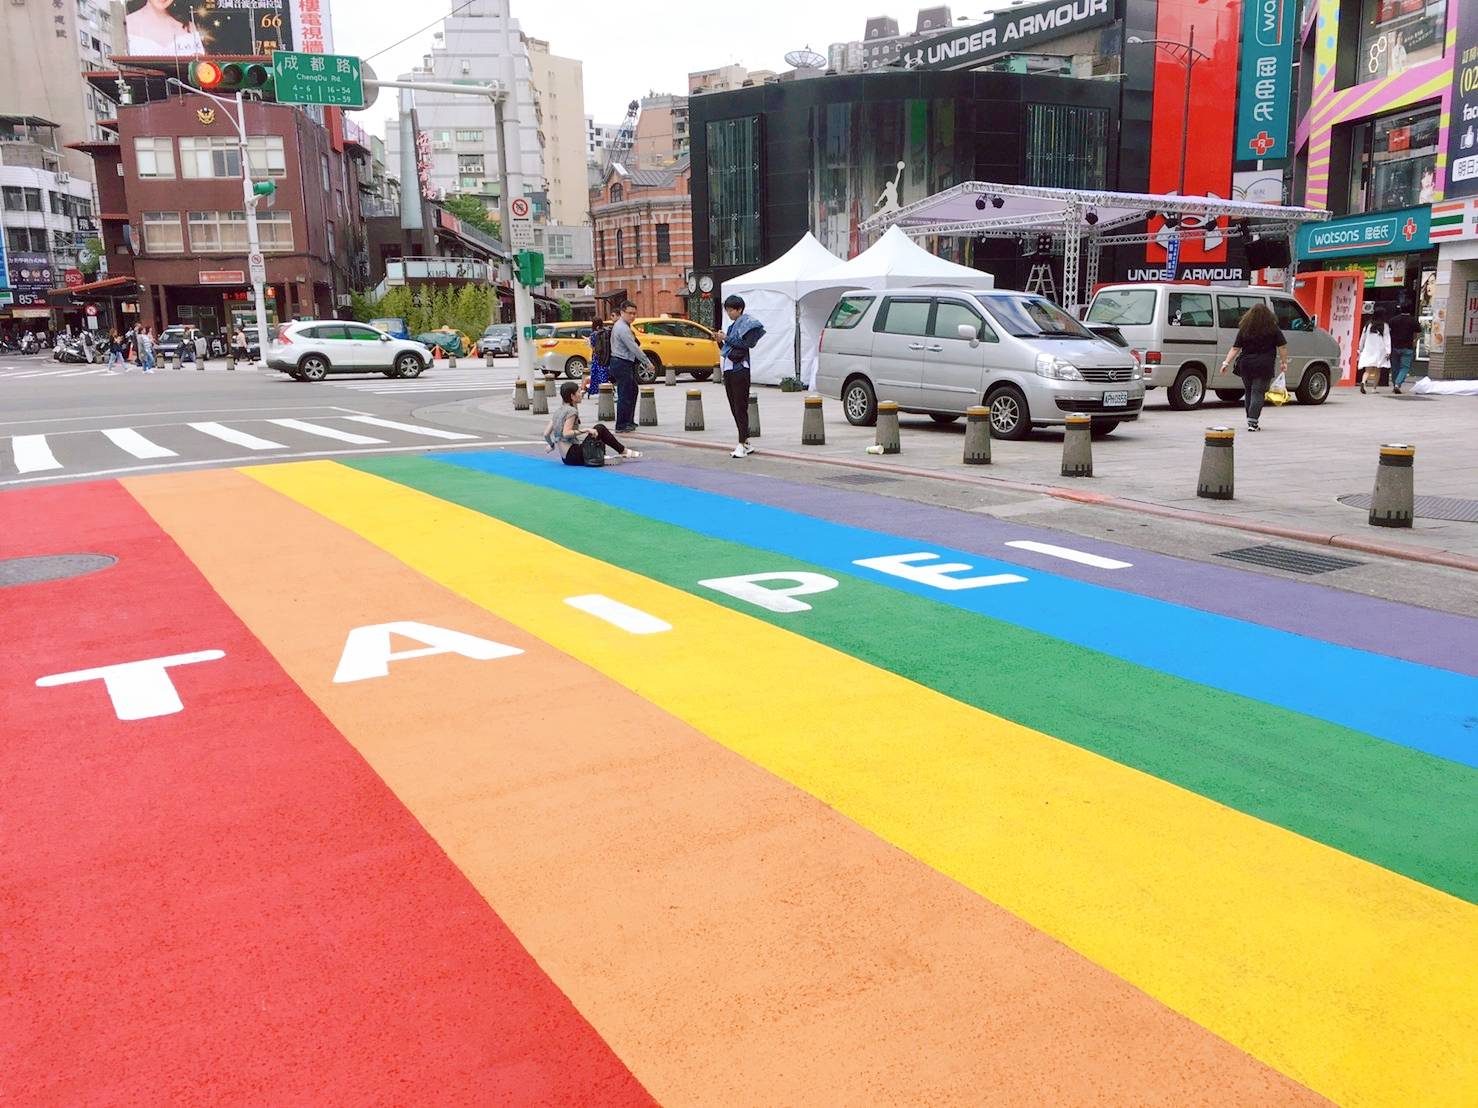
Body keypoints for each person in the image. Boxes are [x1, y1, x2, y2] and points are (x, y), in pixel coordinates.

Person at [1219, 302, 1289, 432]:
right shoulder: (1273, 328)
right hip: (1264, 364)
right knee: (1258, 392)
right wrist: (1284, 362)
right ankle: (1253, 421)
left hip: (1247, 364)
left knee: (1249, 392)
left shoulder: (1245, 328)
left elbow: (1235, 348)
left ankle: (1250, 420)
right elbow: (1282, 347)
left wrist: (1226, 363)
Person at [542, 380, 641, 465]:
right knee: (599, 428)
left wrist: (551, 445)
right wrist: (586, 430)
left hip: (565, 458)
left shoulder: (558, 412)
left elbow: (546, 434)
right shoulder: (571, 412)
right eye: (578, 392)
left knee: (596, 433)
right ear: (572, 396)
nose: (581, 393)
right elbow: (566, 433)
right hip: (574, 455)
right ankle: (622, 451)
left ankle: (603, 455)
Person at [720, 294, 766, 458]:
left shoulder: (747, 323)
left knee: (740, 407)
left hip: (740, 368)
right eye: (727, 310)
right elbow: (730, 344)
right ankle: (745, 442)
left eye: (731, 310)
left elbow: (746, 344)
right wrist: (722, 339)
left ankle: (741, 443)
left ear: (739, 309)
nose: (729, 313)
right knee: (734, 406)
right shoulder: (733, 326)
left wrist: (726, 338)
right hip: (729, 368)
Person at [608, 301, 651, 432]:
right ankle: (621, 425)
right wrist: (647, 362)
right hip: (621, 363)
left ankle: (628, 421)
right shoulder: (622, 328)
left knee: (632, 391)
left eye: (634, 313)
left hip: (622, 362)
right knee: (625, 394)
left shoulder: (622, 326)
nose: (632, 316)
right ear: (622, 313)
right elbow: (634, 347)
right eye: (630, 313)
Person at [1386, 301, 1419, 394]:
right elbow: (1418, 332)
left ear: (1400, 309)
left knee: (1395, 367)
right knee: (1405, 367)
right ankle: (1398, 383)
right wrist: (1415, 341)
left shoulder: (1393, 320)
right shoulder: (1413, 320)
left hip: (1395, 346)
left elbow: (1388, 332)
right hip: (1407, 346)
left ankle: (1394, 384)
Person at [1357, 309, 1391, 394]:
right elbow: (1387, 339)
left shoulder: (1368, 325)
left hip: (1369, 349)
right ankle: (1374, 388)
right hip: (1380, 349)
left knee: (1367, 370)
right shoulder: (1384, 326)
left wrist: (1360, 348)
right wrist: (1388, 351)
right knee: (1377, 370)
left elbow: (1363, 337)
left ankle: (1363, 382)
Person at [587, 318, 611, 401]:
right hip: (606, 356)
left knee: (596, 373)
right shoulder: (606, 332)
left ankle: (596, 390)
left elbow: (593, 347)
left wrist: (588, 342)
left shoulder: (594, 334)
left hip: (597, 356)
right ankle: (606, 389)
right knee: (603, 372)